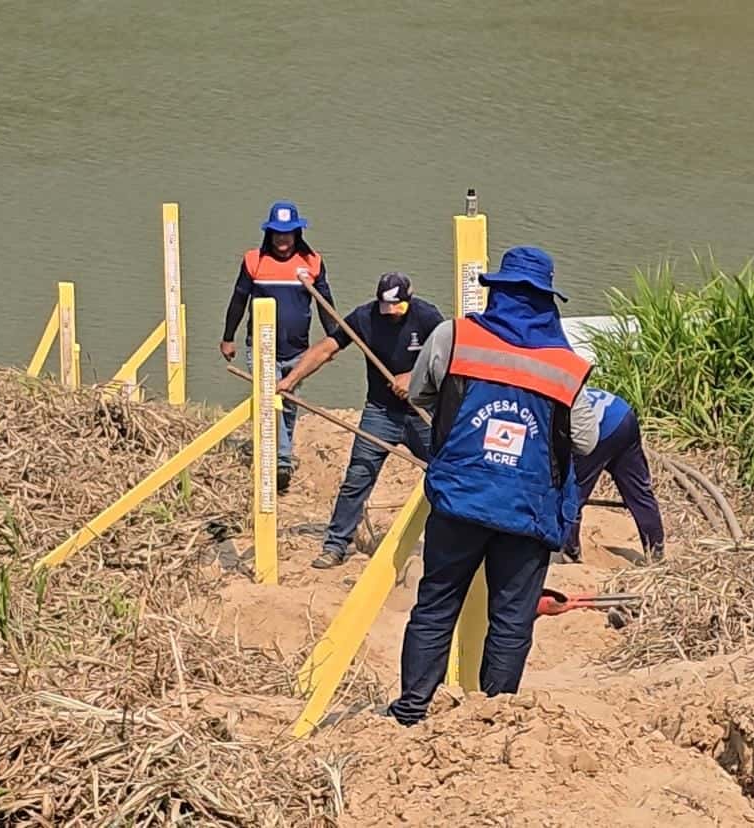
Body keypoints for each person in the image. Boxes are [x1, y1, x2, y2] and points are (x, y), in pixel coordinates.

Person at [386, 246, 599, 727]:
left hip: (460, 498)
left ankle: (411, 710)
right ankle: (494, 716)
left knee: (437, 603)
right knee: (511, 618)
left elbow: (420, 392)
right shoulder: (566, 365)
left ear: (497, 291)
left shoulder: (454, 335)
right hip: (528, 511)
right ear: (548, 301)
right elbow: (586, 441)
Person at [277, 272, 445, 568]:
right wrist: (291, 380)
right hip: (380, 412)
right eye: (386, 306)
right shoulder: (365, 317)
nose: (391, 312)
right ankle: (336, 544)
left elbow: (448, 358)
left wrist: (414, 377)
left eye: (397, 306)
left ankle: (451, 545)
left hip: (423, 412)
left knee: (446, 474)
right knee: (358, 476)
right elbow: (327, 348)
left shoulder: (428, 317)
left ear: (409, 298)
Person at [219, 201, 337, 491]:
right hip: (261, 347)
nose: (282, 239)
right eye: (276, 234)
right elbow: (238, 301)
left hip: (299, 351)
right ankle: (281, 462)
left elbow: (325, 305)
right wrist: (228, 337)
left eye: (288, 233)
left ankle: (278, 454)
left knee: (290, 404)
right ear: (268, 234)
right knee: (272, 402)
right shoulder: (253, 261)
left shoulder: (312, 263)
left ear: (297, 233)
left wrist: (334, 340)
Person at [558, 387, 665, 563]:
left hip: (598, 430)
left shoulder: (550, 403)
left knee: (572, 493)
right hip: (622, 414)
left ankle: (571, 554)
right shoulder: (571, 386)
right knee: (638, 490)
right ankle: (656, 549)